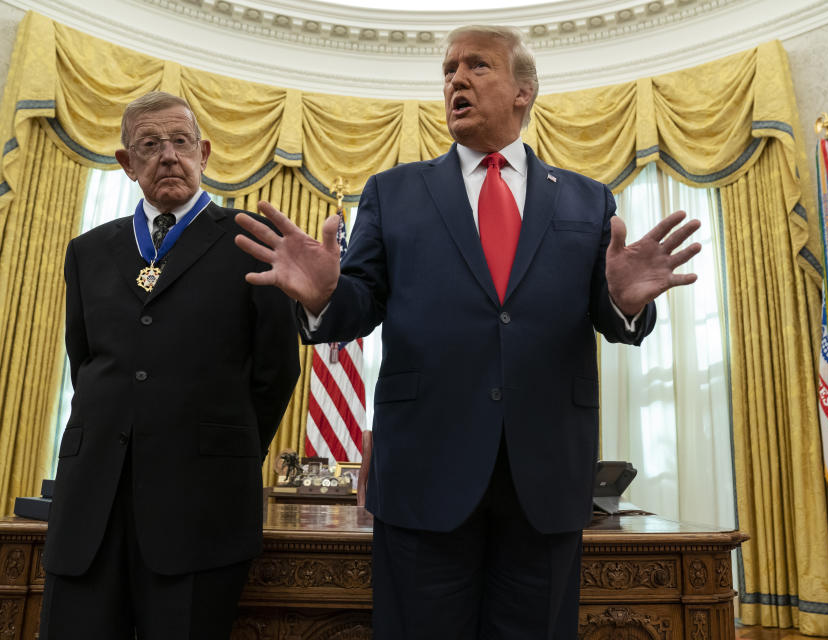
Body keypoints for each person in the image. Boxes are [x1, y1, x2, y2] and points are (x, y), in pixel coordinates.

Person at [235, 25, 700, 639]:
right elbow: (360, 303)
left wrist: (624, 305)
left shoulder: (587, 201)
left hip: (546, 472)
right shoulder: (394, 193)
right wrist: (325, 296)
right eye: (449, 69)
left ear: (523, 91)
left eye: (477, 66)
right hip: (425, 469)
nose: (456, 78)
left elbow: (609, 315)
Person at [40, 91, 301, 639]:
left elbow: (276, 373)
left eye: (180, 141)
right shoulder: (88, 252)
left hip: (202, 505)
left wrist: (226, 448)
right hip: (92, 505)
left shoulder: (252, 241)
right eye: (149, 144)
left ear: (204, 152)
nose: (167, 155)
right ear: (126, 163)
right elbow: (84, 360)